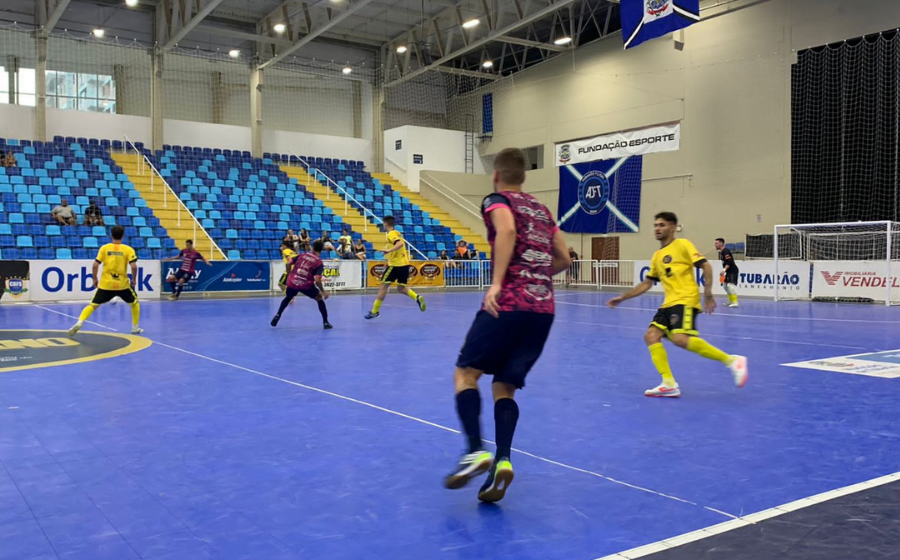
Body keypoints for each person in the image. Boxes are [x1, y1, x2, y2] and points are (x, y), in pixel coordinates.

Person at [444, 148, 572, 503]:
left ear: (497, 175)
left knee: (465, 374)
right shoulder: (544, 211)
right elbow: (563, 258)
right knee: (504, 386)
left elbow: (507, 229)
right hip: (542, 310)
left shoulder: (496, 199)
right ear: (525, 177)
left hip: (509, 303)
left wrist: (499, 282)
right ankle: (502, 460)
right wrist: (535, 276)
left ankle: (474, 450)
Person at [607, 212, 747, 398]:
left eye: (662, 225)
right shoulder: (657, 256)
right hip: (668, 304)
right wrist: (623, 297)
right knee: (651, 335)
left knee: (680, 339)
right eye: (656, 225)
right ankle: (669, 383)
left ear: (673, 227)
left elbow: (705, 266)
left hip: (685, 299)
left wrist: (707, 292)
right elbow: (647, 283)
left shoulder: (683, 245)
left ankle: (732, 361)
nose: (657, 228)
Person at [68, 225, 143, 336]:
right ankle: (135, 327)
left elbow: (95, 265)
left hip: (106, 284)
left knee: (93, 305)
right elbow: (134, 267)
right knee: (134, 303)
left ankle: (79, 322)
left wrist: (94, 278)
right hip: (122, 285)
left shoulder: (105, 248)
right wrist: (134, 279)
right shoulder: (128, 249)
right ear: (123, 236)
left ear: (111, 235)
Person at [365, 216, 426, 319]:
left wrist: (389, 251)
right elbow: (398, 247)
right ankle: (417, 297)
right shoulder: (397, 233)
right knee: (401, 288)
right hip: (404, 264)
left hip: (396, 265)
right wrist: (388, 259)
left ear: (385, 224)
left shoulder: (391, 234)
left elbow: (400, 244)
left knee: (383, 287)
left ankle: (374, 311)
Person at [271, 240, 332, 329]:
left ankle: (277, 315)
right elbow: (317, 279)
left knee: (288, 297)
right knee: (319, 298)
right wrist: (323, 291)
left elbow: (288, 262)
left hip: (293, 281)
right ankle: (326, 322)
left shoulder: (302, 255)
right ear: (321, 250)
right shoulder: (318, 262)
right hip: (306, 284)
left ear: (313, 247)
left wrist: (288, 273)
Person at [715, 238, 739, 308]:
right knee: (725, 286)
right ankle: (730, 301)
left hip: (732, 271)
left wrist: (724, 270)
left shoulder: (726, 251)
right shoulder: (721, 252)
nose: (715, 245)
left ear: (721, 243)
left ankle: (735, 302)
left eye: (716, 243)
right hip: (728, 271)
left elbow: (729, 262)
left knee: (730, 286)